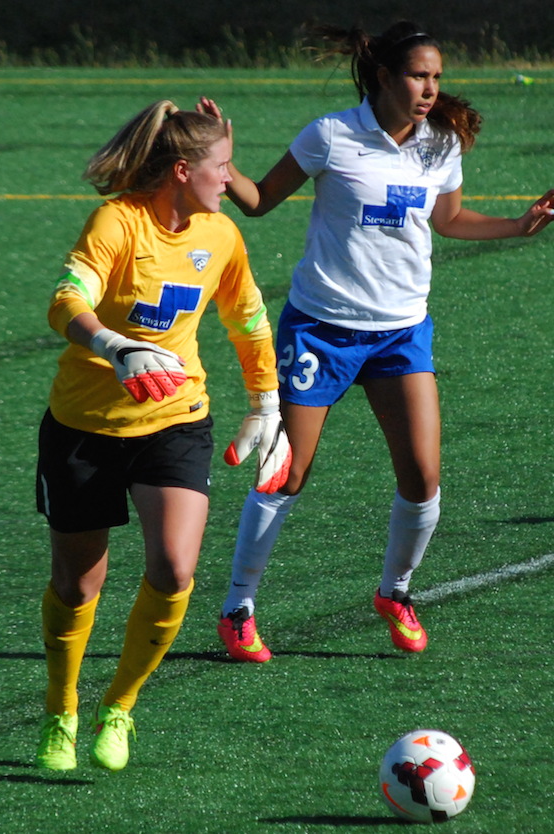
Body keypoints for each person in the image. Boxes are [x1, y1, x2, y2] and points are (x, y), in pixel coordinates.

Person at [199, 19, 554, 663]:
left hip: (401, 332)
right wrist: (223, 163)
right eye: (419, 76)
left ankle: (396, 592)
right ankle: (237, 607)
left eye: (437, 77)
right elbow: (257, 202)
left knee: (423, 476)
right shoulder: (331, 134)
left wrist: (517, 225)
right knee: (286, 474)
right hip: (321, 330)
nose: (430, 88)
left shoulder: (441, 142)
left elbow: (446, 219)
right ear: (386, 77)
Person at [34, 99, 291, 772]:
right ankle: (62, 709)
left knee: (175, 569)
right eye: (223, 167)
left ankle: (118, 708)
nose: (231, 180)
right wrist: (116, 347)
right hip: (83, 427)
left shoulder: (223, 235)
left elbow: (248, 319)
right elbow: (66, 300)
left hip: (176, 420)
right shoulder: (117, 222)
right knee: (77, 586)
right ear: (182, 171)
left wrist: (266, 401)